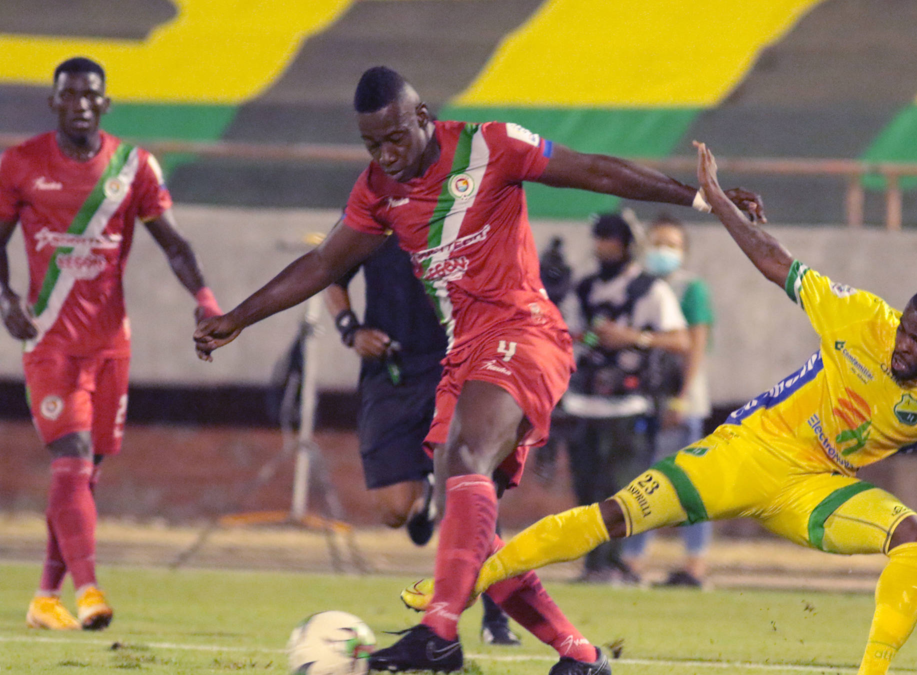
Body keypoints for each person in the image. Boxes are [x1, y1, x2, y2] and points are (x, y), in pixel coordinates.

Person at [401, 141, 917, 675]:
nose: (904, 346)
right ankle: (454, 590)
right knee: (612, 517)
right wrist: (716, 200)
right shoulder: (863, 317)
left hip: (813, 490)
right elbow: (776, 261)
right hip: (743, 453)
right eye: (906, 330)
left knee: (914, 534)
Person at [192, 66, 763, 675]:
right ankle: (580, 654)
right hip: (463, 351)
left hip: (525, 331)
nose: (386, 155)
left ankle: (438, 634)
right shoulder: (377, 188)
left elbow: (594, 171)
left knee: (467, 458)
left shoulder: (490, 145)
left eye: (394, 138)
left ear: (423, 117)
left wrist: (700, 197)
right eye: (371, 144)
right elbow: (325, 262)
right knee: (470, 527)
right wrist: (239, 317)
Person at [0, 57, 221, 631]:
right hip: (49, 341)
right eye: (69, 94)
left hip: (110, 346)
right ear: (54, 102)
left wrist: (205, 299)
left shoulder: (133, 166)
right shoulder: (21, 163)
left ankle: (44, 598)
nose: (79, 103)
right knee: (71, 462)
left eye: (89, 95)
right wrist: (6, 300)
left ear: (105, 103)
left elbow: (174, 244)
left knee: (84, 476)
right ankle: (89, 591)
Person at [324, 232, 519, 646]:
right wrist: (350, 330)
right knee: (394, 510)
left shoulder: (461, 209)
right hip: (390, 371)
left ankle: (497, 617)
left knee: (474, 482)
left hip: (454, 363)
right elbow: (329, 272)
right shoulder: (372, 211)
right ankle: (425, 498)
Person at [560, 212, 689, 582]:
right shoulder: (583, 288)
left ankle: (613, 562)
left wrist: (632, 338)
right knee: (586, 488)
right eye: (600, 239)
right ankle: (594, 564)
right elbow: (566, 334)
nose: (605, 247)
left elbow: (680, 340)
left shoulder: (650, 290)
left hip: (629, 404)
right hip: (584, 403)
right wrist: (588, 337)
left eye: (612, 240)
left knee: (620, 489)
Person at [622, 213, 716, 588]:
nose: (663, 251)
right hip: (644, 398)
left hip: (680, 401)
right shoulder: (637, 285)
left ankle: (694, 566)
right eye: (657, 243)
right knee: (641, 483)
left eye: (672, 245)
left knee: (688, 484)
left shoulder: (689, 288)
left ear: (684, 252)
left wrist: (681, 398)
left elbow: (695, 345)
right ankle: (632, 562)